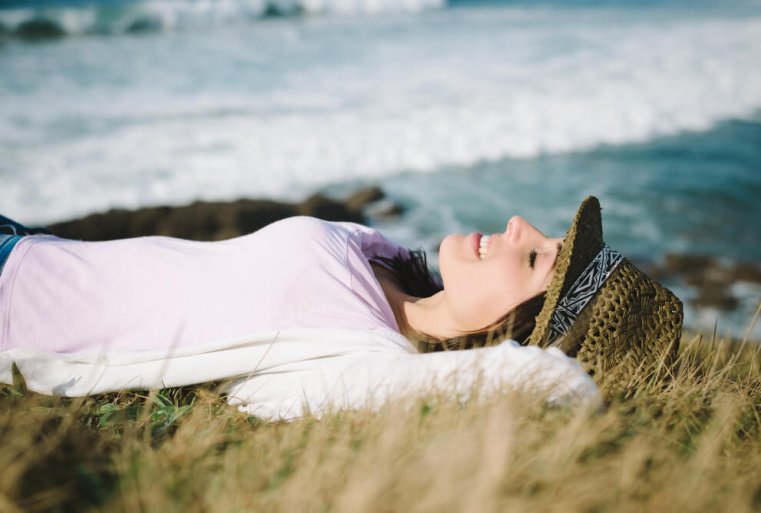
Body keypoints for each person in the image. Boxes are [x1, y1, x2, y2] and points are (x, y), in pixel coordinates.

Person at [0, 197, 681, 420]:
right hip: (22, 242)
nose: (517, 224)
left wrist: (540, 366)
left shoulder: (363, 356)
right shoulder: (384, 257)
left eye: (535, 260)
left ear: (521, 329)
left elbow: (552, 381)